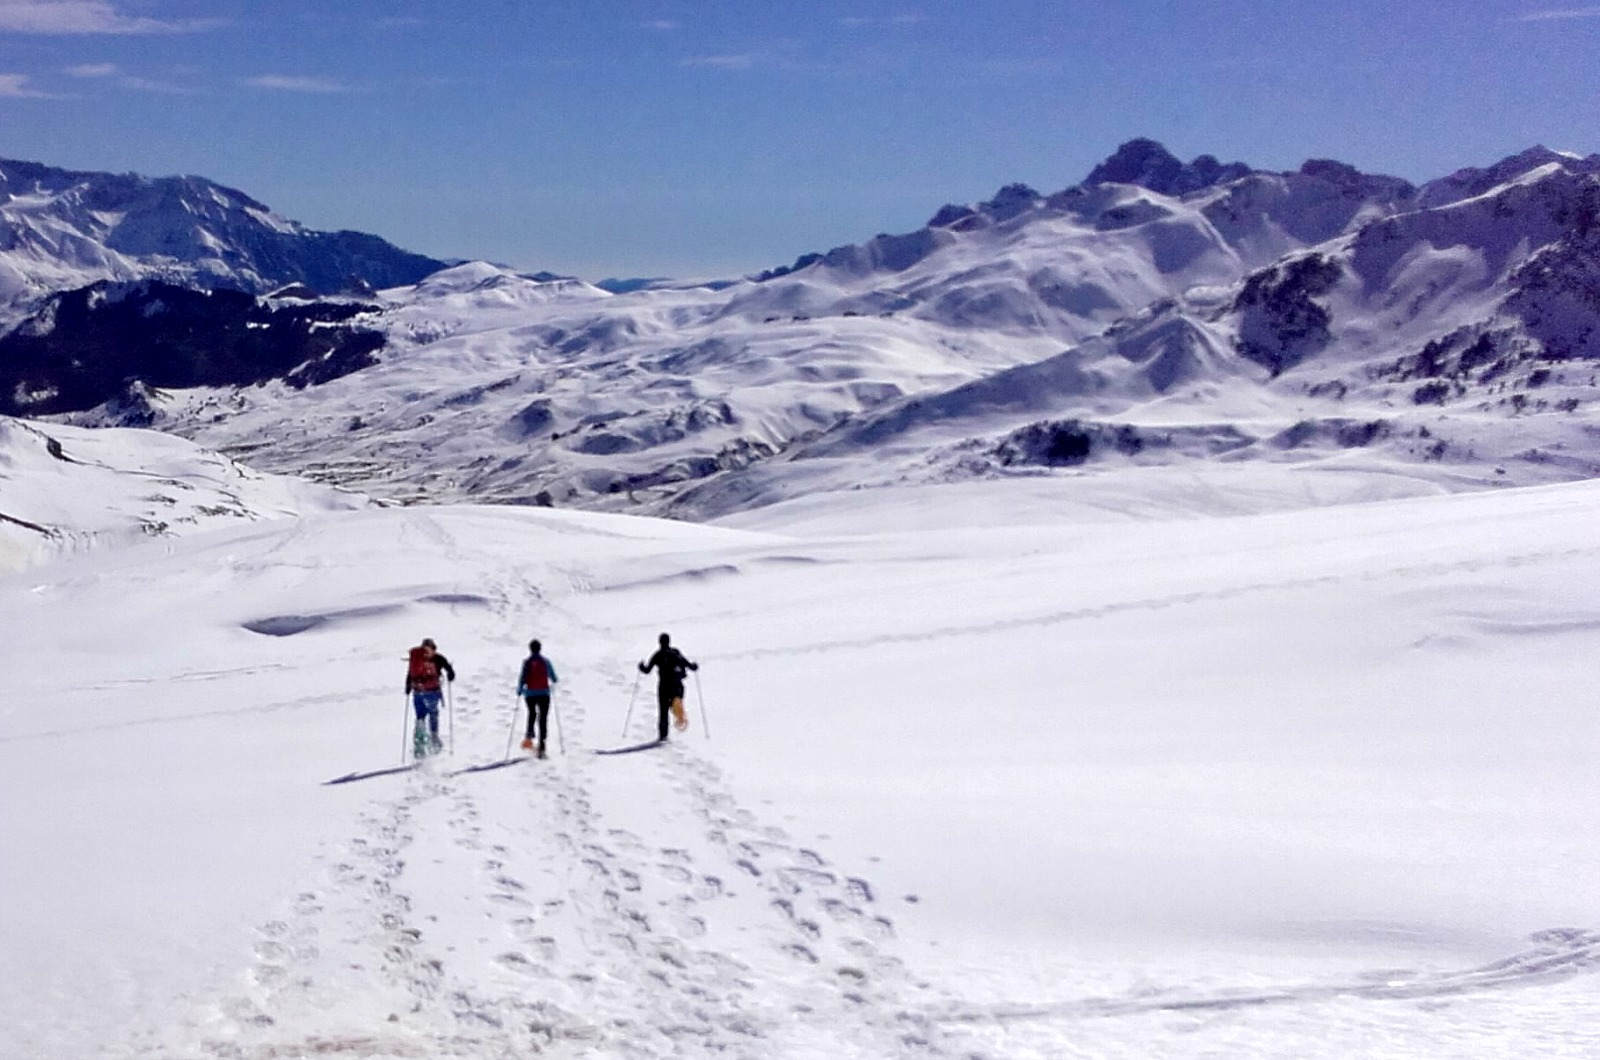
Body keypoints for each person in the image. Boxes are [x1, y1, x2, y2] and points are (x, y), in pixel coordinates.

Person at [639, 632, 697, 742]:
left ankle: (663, 735)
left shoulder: (658, 655)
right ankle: (677, 712)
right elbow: (687, 664)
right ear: (669, 641)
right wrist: (693, 666)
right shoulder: (675, 653)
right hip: (676, 686)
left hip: (663, 687)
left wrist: (641, 667)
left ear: (659, 642)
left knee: (663, 712)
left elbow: (647, 670)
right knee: (675, 703)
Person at [405, 638, 455, 758]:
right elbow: (450, 671)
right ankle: (434, 739)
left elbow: (410, 674)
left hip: (417, 692)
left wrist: (408, 687)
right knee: (433, 714)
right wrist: (450, 674)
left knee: (420, 717)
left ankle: (419, 744)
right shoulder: (438, 658)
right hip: (432, 691)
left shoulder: (416, 659)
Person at [517, 638, 559, 758]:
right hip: (544, 693)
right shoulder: (545, 661)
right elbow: (554, 678)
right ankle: (542, 745)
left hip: (530, 694)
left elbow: (523, 678)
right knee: (543, 718)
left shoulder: (527, 662)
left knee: (532, 714)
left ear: (530, 649)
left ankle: (529, 737)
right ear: (540, 649)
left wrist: (520, 690)